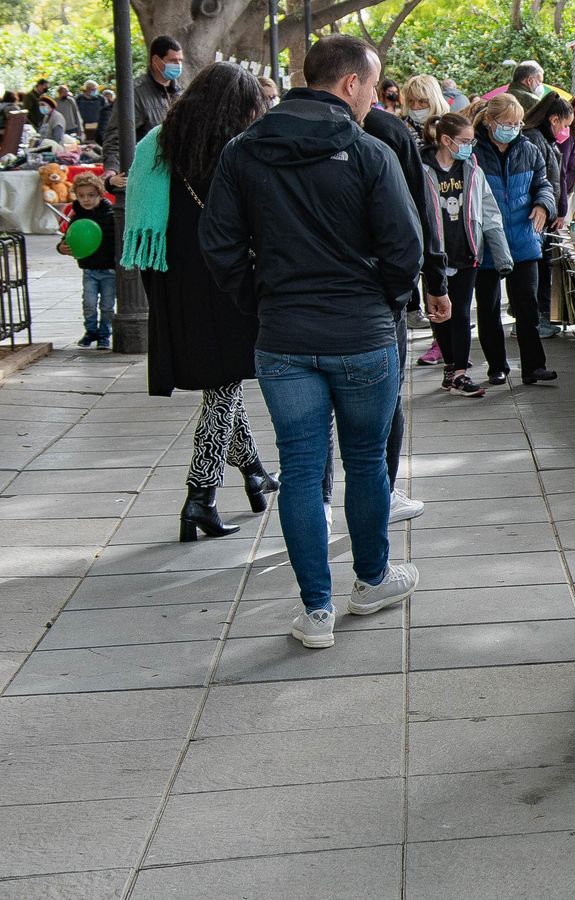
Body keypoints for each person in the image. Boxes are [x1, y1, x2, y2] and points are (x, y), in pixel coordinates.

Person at [200, 35, 425, 649]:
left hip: (284, 334)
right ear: (350, 83)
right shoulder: (369, 152)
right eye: (373, 86)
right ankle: (372, 580)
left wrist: (263, 297)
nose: (374, 98)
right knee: (366, 462)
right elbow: (405, 250)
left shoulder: (244, 151)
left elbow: (218, 245)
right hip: (361, 332)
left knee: (301, 470)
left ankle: (317, 610)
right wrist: (382, 299)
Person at [120, 63, 277, 542]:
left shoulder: (158, 144)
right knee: (224, 386)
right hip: (221, 283)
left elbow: (148, 225)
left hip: (171, 280)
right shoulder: (229, 150)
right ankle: (200, 497)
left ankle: (253, 472)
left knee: (221, 382)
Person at [361, 93, 446, 522]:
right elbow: (416, 214)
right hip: (373, 299)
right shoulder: (384, 136)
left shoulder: (266, 138)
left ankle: (323, 503)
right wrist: (424, 282)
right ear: (354, 83)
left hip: (292, 306)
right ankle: (382, 495)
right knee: (382, 403)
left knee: (311, 437)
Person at [420, 112, 511, 396]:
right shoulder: (420, 170)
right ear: (446, 140)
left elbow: (490, 212)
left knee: (459, 313)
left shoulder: (472, 170)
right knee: (440, 314)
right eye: (465, 141)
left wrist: (501, 255)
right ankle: (451, 367)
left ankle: (459, 372)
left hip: (468, 252)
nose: (470, 146)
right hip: (435, 256)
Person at [472, 94, 558, 385]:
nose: (513, 128)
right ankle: (496, 365)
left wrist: (543, 205)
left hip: (524, 239)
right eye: (506, 123)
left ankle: (534, 367)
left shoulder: (529, 149)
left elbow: (543, 184)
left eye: (517, 123)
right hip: (486, 243)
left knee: (527, 308)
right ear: (489, 121)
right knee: (489, 309)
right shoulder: (473, 151)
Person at [103, 36, 183, 185]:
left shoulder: (181, 92)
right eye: (172, 60)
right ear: (156, 61)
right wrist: (111, 169)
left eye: (180, 61)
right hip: (146, 175)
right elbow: (116, 135)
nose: (178, 65)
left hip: (176, 175)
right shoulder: (133, 93)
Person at [527, 91, 573, 338]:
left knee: (543, 269)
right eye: (565, 125)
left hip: (545, 213)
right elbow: (541, 180)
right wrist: (545, 206)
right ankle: (536, 318)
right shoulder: (535, 139)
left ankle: (541, 316)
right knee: (537, 271)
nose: (565, 131)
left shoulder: (544, 139)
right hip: (536, 215)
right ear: (554, 119)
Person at [59, 173, 116, 349]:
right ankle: (91, 331)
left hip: (109, 270)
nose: (86, 200)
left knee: (107, 306)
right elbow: (70, 237)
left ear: (100, 194)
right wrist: (61, 247)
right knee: (89, 304)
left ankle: (104, 335)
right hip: (89, 269)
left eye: (91, 195)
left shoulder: (110, 215)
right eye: (81, 196)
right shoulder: (77, 216)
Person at [401, 74, 450, 142]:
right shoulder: (400, 126)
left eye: (422, 101)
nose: (415, 107)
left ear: (435, 101)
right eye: (410, 101)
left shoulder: (449, 127)